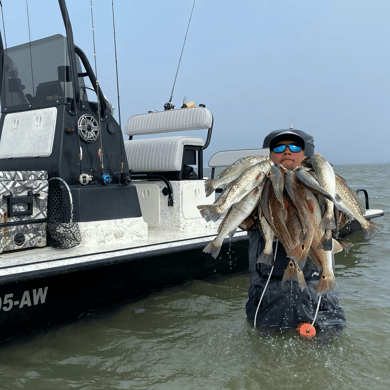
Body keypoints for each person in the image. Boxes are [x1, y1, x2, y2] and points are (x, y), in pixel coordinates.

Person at [243, 129, 346, 330]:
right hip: (267, 296)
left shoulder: (325, 187)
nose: (287, 152)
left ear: (305, 155)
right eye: (280, 148)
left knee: (326, 351)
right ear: (270, 157)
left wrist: (320, 186)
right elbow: (243, 220)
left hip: (317, 295)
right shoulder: (256, 188)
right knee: (264, 356)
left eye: (295, 147)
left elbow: (341, 220)